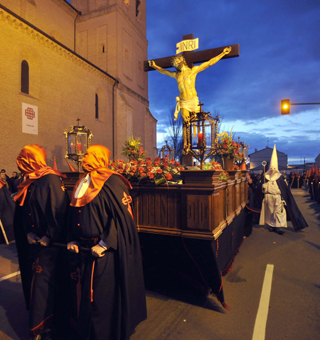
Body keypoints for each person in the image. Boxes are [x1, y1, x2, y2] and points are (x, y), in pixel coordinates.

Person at [67, 144, 147, 340]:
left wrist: (104, 243)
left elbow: (120, 218)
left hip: (103, 252)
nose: (83, 157)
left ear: (98, 157)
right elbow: (73, 213)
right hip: (83, 249)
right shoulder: (81, 182)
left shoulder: (112, 182)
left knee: (100, 300)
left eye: (87, 154)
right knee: (83, 297)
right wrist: (72, 237)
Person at [13, 144, 70, 340]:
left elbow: (58, 212)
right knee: (36, 284)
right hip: (35, 242)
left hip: (49, 245)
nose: (20, 166)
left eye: (22, 161)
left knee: (44, 286)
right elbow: (27, 210)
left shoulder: (50, 179)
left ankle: (45, 327)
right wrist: (28, 232)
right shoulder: (33, 180)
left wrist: (49, 235)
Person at [148, 46, 231, 152]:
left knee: (197, 123)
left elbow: (209, 63)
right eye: (174, 62)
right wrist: (154, 66)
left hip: (193, 100)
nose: (175, 63)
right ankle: (186, 146)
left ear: (182, 60)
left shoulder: (193, 71)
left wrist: (223, 53)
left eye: (177, 60)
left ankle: (200, 145)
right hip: (183, 102)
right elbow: (164, 71)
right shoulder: (177, 75)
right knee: (186, 123)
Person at [259, 145, 308, 234]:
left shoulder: (280, 178)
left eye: (274, 168)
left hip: (277, 197)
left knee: (278, 212)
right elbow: (260, 188)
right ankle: (271, 225)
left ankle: (279, 226)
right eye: (271, 168)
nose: (273, 169)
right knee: (270, 212)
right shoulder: (265, 177)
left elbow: (285, 189)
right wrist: (263, 187)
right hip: (268, 197)